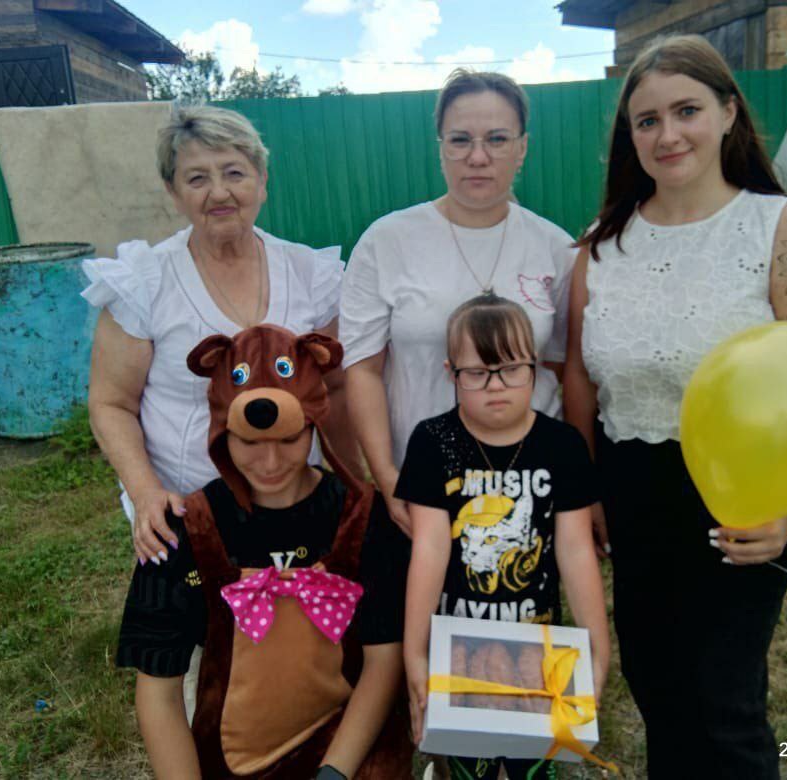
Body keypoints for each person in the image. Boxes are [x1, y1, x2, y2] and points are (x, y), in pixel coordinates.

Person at [563, 35, 787, 778]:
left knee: (725, 702)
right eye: (647, 120)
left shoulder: (778, 227)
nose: (668, 134)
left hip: (744, 490)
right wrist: (588, 489)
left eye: (686, 110)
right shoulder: (600, 246)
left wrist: (786, 504)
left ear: (727, 113)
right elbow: (581, 378)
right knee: (659, 687)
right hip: (632, 486)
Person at [116, 324, 412, 779]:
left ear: (314, 424)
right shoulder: (185, 533)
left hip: (349, 743)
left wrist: (334, 773)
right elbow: (159, 693)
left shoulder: (364, 517)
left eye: (290, 440)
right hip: (235, 755)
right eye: (250, 443)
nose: (270, 464)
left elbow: (383, 659)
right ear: (222, 431)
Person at [84, 104, 359, 566]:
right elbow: (111, 404)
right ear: (173, 192)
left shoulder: (311, 274)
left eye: (234, 173)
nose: (219, 192)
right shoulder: (144, 282)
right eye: (197, 179)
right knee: (202, 614)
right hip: (188, 513)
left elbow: (336, 389)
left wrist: (354, 486)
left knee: (299, 612)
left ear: (262, 180)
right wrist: (146, 493)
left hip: (298, 507)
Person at [340, 69, 578, 537]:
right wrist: (387, 475)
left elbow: (560, 368)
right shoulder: (387, 242)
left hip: (525, 485)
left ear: (522, 148)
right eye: (460, 140)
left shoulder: (554, 247)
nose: (478, 157)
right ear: (441, 147)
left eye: (497, 139)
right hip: (423, 487)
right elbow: (363, 368)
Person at [400, 294, 611, 780]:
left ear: (535, 367)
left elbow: (576, 551)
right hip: (458, 646)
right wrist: (415, 652)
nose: (495, 385)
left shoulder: (562, 445)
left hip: (540, 649)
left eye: (511, 369)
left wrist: (598, 649)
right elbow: (429, 548)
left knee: (532, 768)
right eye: (477, 372)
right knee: (465, 766)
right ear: (451, 373)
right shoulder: (433, 442)